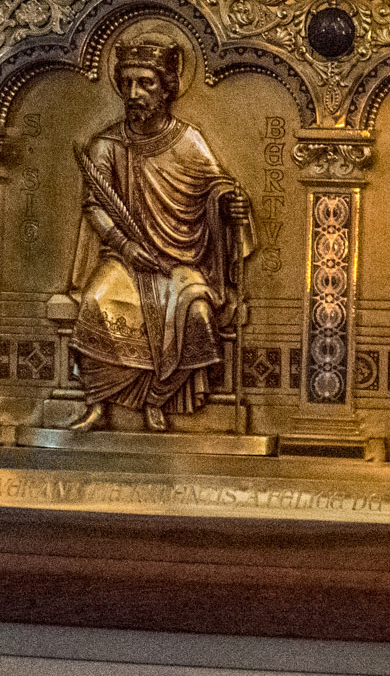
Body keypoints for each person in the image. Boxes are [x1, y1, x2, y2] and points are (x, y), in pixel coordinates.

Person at [65, 32, 257, 431]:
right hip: (124, 258)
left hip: (180, 259)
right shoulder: (107, 145)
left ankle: (157, 399)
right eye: (127, 83)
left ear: (166, 88)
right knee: (96, 302)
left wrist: (230, 205)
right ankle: (98, 404)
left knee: (197, 314)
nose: (134, 93)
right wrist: (125, 247)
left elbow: (216, 188)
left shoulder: (188, 141)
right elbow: (95, 207)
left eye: (145, 83)